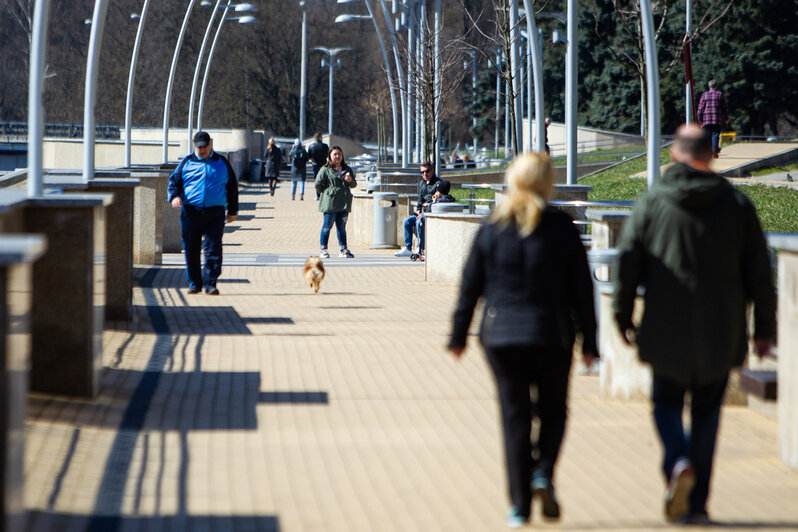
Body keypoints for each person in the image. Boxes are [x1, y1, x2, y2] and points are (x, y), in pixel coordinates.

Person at [613, 123, 776, 524]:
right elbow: (759, 274)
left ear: (674, 154)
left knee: (666, 404)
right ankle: (698, 504)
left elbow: (628, 261)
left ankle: (677, 461)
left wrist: (621, 316)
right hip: (722, 331)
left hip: (664, 328)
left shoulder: (653, 202)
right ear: (711, 155)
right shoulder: (737, 205)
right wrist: (764, 332)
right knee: (707, 412)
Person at [448, 153, 597, 528]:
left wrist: (457, 335)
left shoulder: (493, 227)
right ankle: (543, 472)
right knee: (553, 411)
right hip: (552, 335)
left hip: (501, 337)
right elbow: (583, 291)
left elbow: (470, 287)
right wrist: (591, 343)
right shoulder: (562, 228)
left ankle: (518, 508)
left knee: (514, 419)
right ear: (548, 183)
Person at [168, 131, 239, 295]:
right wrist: (174, 197)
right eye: (199, 147)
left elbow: (232, 187)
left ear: (210, 145)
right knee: (191, 248)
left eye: (205, 146)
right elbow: (174, 182)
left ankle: (211, 283)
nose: (202, 150)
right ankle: (195, 283)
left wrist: (233, 210)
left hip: (215, 212)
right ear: (195, 147)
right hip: (191, 211)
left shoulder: (221, 162)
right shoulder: (187, 162)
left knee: (213, 248)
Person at [315, 146, 357, 259]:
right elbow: (317, 184)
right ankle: (323, 249)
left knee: (341, 227)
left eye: (339, 154)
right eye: (335, 154)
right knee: (327, 226)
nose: (337, 156)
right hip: (330, 203)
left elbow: (354, 185)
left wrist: (350, 180)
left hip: (344, 203)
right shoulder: (325, 169)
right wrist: (327, 193)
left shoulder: (346, 169)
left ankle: (343, 249)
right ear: (330, 156)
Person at [395, 161, 440, 257]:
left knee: (420, 222)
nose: (425, 174)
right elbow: (420, 198)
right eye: (422, 172)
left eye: (427, 171)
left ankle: (420, 248)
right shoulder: (422, 183)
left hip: (430, 213)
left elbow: (436, 201)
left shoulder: (438, 183)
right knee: (407, 221)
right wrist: (418, 210)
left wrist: (423, 213)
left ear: (432, 171)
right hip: (422, 212)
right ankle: (408, 248)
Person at [696, 80, 729, 159]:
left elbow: (700, 108)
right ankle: (714, 149)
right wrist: (726, 117)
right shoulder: (719, 95)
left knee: (707, 135)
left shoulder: (704, 95)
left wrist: (700, 118)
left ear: (709, 86)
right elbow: (724, 107)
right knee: (715, 134)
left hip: (706, 119)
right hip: (716, 119)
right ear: (716, 86)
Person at [308, 133, 329, 201]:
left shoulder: (311, 146)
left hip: (315, 164)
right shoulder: (325, 146)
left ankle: (318, 195)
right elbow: (327, 154)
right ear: (320, 138)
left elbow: (309, 156)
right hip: (323, 164)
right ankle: (324, 194)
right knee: (324, 179)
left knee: (317, 180)